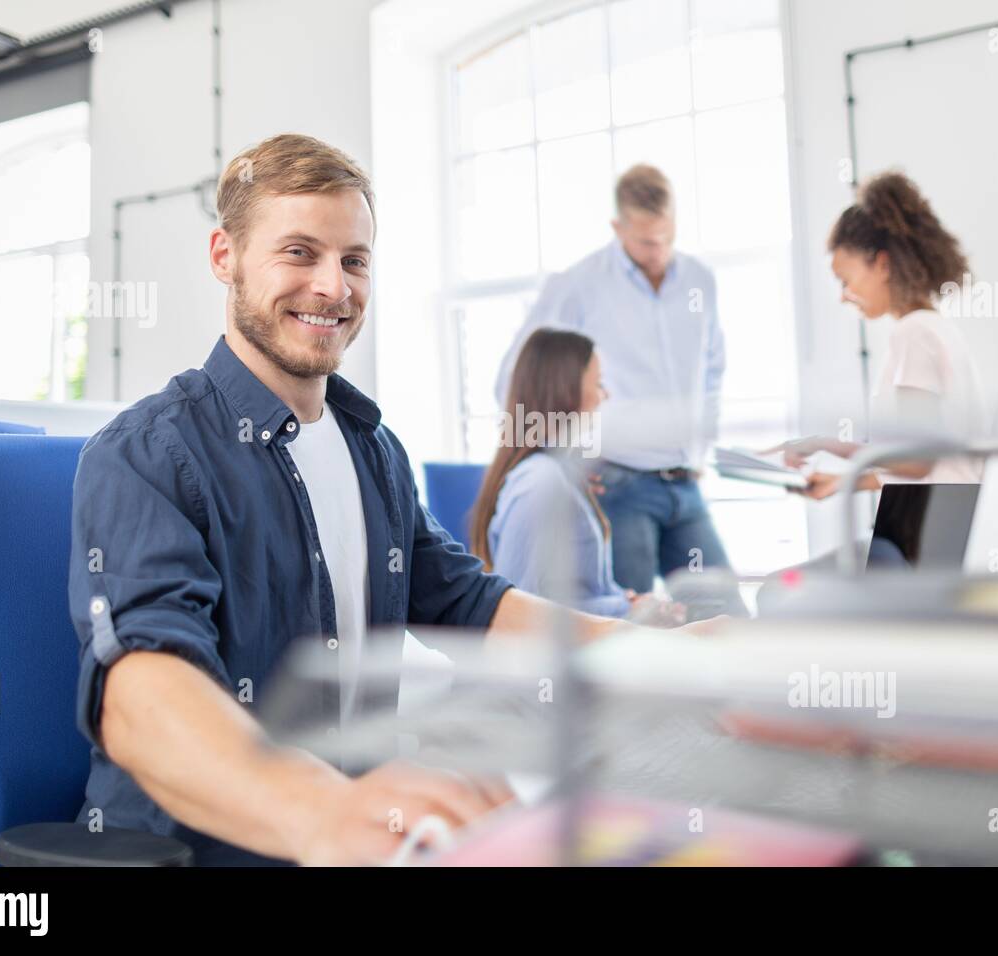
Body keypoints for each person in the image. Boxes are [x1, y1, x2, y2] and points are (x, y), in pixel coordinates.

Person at [68, 134, 679, 867]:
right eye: (299, 253)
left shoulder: (374, 450)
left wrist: (666, 656)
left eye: (355, 260)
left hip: (364, 836)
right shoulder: (147, 453)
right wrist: (323, 811)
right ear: (224, 257)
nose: (335, 287)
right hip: (212, 849)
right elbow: (142, 689)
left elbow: (469, 604)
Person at [495, 164, 742, 610]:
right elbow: (519, 375)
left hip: (686, 483)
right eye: (647, 242)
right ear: (618, 227)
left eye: (668, 237)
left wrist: (702, 442)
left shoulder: (699, 281)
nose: (659, 252)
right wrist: (563, 457)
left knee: (727, 616)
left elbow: (712, 371)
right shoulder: (580, 284)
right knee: (626, 628)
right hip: (620, 484)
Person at [782, 171, 989, 499]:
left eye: (845, 280)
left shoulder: (914, 333)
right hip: (945, 511)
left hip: (928, 519)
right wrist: (844, 482)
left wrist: (823, 443)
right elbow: (925, 465)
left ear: (882, 265)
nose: (843, 295)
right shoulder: (934, 326)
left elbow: (916, 460)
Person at [470, 327, 684, 624]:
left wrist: (626, 601)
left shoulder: (559, 474)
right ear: (565, 391)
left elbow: (574, 593)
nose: (604, 396)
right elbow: (522, 611)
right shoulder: (540, 482)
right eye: (597, 383)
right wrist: (626, 610)